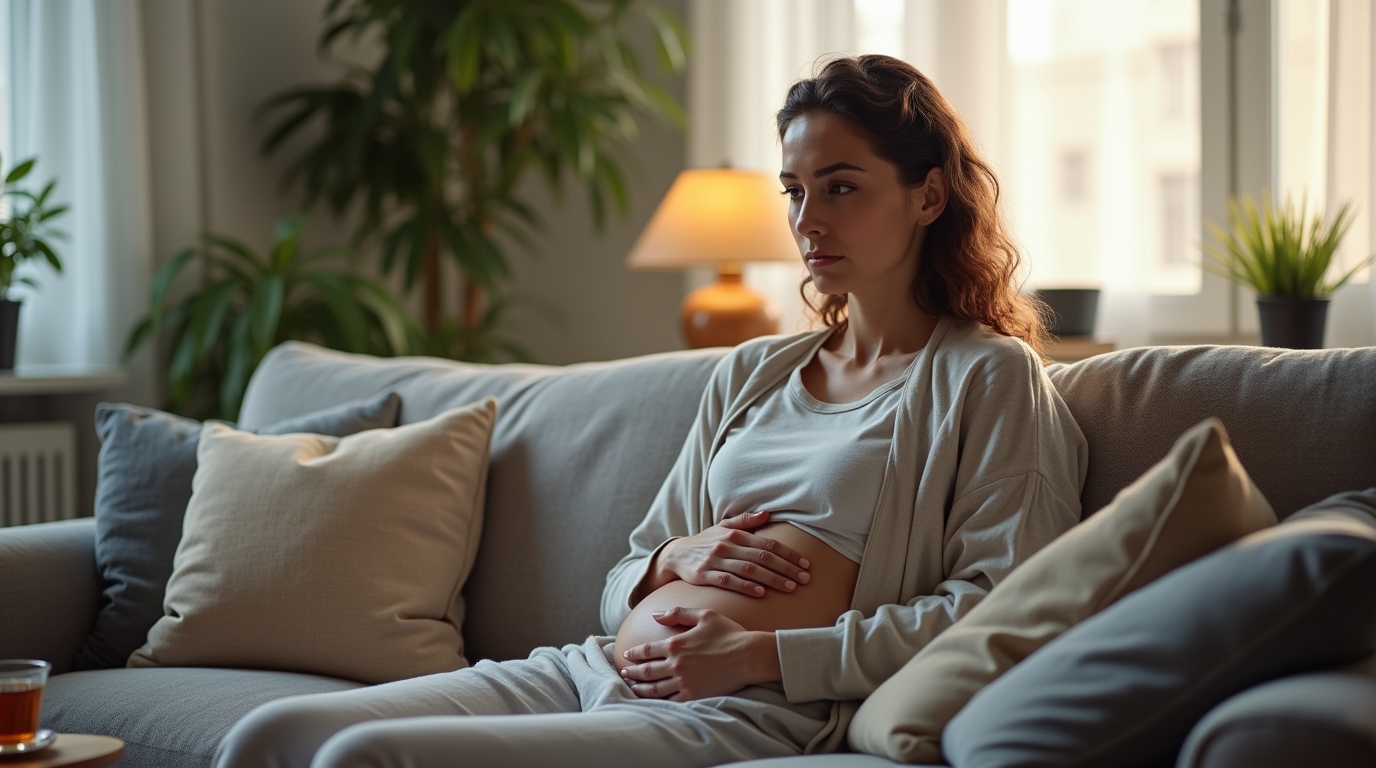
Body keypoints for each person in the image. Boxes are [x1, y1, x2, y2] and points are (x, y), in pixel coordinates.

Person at [214, 54, 1087, 768]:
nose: (808, 220)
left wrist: (759, 654)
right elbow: (620, 577)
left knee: (359, 757)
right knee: (267, 738)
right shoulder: (751, 372)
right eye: (794, 190)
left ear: (928, 196)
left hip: (749, 707)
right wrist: (673, 556)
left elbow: (1001, 605)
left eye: (842, 187)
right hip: (593, 668)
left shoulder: (987, 377)